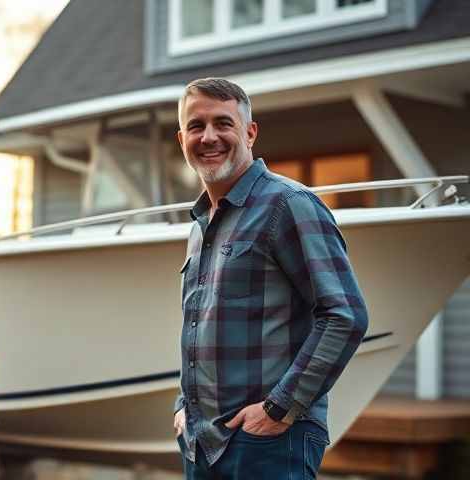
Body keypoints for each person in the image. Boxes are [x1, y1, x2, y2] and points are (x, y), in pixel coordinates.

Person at [172, 78, 368, 479]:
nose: (209, 137)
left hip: (269, 442)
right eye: (196, 126)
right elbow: (198, 327)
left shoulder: (288, 205)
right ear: (182, 139)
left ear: (250, 132)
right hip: (201, 444)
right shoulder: (200, 224)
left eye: (223, 123)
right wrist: (183, 407)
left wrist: (279, 409)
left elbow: (344, 314)